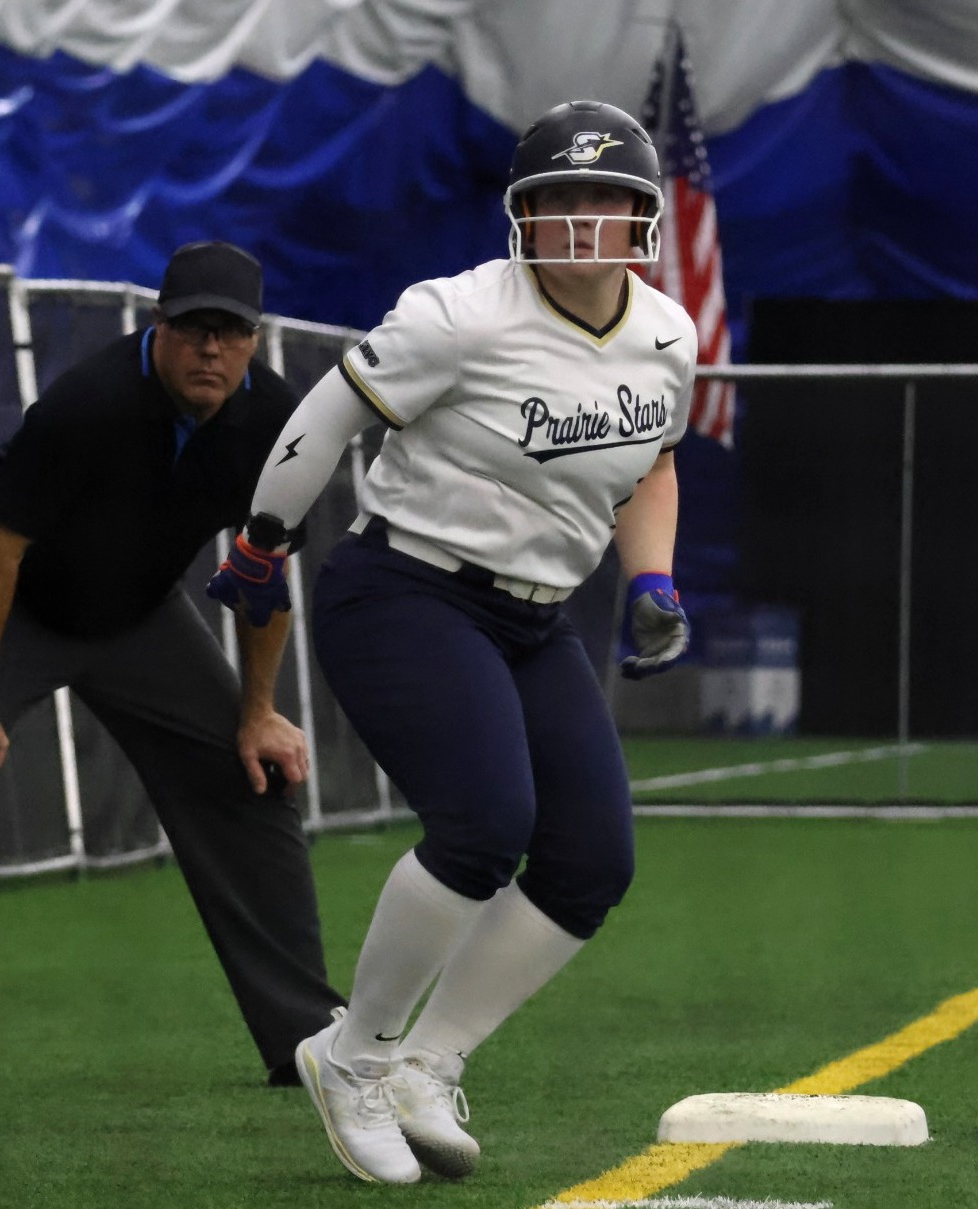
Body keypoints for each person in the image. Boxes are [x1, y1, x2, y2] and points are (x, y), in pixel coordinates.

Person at [206, 100, 694, 1183]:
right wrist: (262, 535)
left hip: (534, 614)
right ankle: (356, 1058)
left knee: (591, 861)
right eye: (557, 197)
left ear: (642, 215)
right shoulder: (458, 312)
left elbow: (652, 464)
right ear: (522, 212)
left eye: (604, 198)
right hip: (405, 590)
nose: (581, 219)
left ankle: (432, 1060)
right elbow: (332, 412)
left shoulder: (668, 332)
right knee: (483, 825)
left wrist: (652, 577)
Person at [0, 242, 346, 1092]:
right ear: (159, 326)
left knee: (246, 773)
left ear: (255, 341)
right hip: (4, 589)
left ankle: (302, 1033)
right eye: (191, 329)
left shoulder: (277, 429)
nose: (208, 349)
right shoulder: (92, 402)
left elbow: (262, 572)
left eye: (229, 332)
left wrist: (257, 712)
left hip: (132, 607)